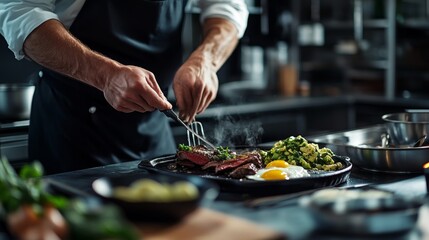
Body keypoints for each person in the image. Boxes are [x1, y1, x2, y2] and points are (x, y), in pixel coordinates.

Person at [0, 0, 249, 174]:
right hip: (72, 134)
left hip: (154, 134)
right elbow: (19, 10)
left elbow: (229, 7)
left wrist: (205, 61)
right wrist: (106, 75)